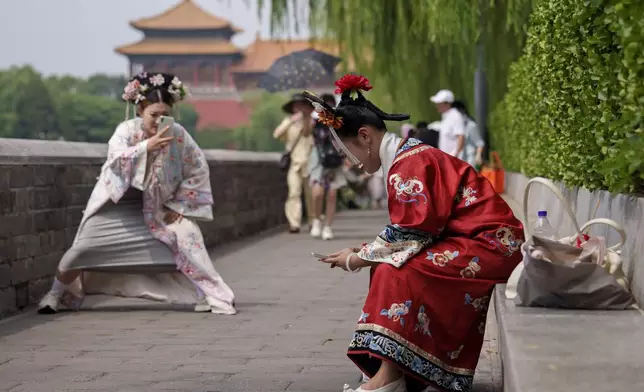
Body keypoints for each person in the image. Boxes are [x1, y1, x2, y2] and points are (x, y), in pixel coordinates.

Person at [305, 74, 524, 392]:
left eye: (346, 151)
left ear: (365, 136)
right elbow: (413, 229)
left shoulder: (409, 164)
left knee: (397, 271)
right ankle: (396, 370)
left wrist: (359, 257)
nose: (349, 162)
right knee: (391, 265)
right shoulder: (406, 157)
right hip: (476, 241)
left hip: (491, 245)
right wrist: (364, 251)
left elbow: (412, 231)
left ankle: (389, 376)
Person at [38, 72, 236, 315]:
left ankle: (208, 294)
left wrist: (179, 204)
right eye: (154, 115)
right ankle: (56, 294)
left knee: (187, 239)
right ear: (140, 109)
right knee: (78, 252)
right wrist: (146, 147)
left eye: (166, 115)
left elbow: (198, 167)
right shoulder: (126, 131)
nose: (159, 121)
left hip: (157, 209)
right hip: (115, 206)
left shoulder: (179, 135)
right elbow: (115, 161)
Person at [273, 93, 315, 233]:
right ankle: (294, 223)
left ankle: (312, 221)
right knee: (294, 193)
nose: (299, 108)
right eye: (297, 105)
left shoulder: (311, 121)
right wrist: (291, 121)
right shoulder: (289, 122)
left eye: (302, 105)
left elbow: (307, 134)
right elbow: (277, 134)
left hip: (309, 163)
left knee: (311, 196)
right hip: (294, 163)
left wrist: (306, 119)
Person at [309, 93, 347, 240]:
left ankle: (328, 227)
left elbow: (345, 139)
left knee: (332, 193)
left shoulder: (338, 121)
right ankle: (317, 220)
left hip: (335, 159)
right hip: (319, 159)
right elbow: (307, 134)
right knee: (317, 193)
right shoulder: (314, 119)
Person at [430, 89, 466, 159]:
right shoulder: (446, 116)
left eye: (439, 103)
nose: (437, 106)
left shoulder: (456, 116)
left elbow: (461, 137)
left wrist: (455, 155)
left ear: (447, 103)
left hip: (454, 160)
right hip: (447, 159)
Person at [451, 100, 485, 170]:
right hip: (457, 160)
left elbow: (479, 143)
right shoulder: (453, 126)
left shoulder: (470, 125)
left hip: (469, 161)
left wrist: (478, 156)